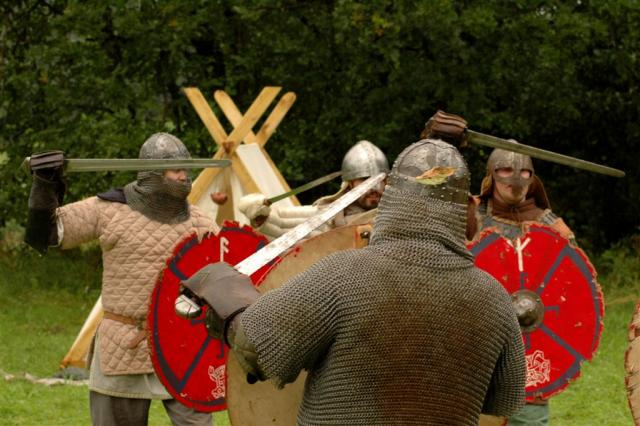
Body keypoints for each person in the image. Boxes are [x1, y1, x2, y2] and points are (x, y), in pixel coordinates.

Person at [183, 138, 527, 425]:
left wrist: (228, 299)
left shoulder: (342, 275)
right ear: (464, 207)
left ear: (393, 197)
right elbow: (501, 400)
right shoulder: (494, 299)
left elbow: (258, 346)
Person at [25, 133, 217, 426]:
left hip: (179, 345)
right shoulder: (109, 209)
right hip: (124, 345)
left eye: (186, 169)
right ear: (153, 173)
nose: (184, 176)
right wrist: (45, 184)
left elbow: (229, 269)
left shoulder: (200, 222)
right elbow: (46, 233)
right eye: (176, 169)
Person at [467, 147, 575, 425]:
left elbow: (570, 284)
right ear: (491, 176)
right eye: (505, 170)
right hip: (476, 335)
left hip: (530, 338)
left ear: (532, 178)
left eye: (524, 172)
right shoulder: (469, 215)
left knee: (529, 419)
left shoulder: (549, 224)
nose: (515, 179)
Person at [238, 140, 389, 239]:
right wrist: (260, 214)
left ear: (387, 182)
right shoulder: (329, 216)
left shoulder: (396, 217)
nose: (373, 187)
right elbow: (281, 224)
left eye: (379, 180)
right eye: (364, 180)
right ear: (350, 184)